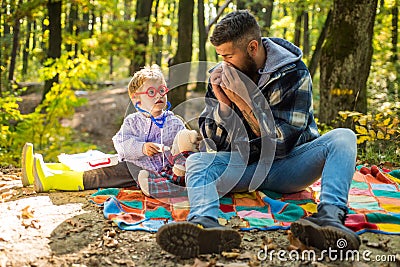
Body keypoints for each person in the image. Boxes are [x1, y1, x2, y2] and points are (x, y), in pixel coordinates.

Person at [156, 10, 360, 259]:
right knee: (197, 161)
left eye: (229, 56)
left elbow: (282, 145)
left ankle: (329, 218)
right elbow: (212, 143)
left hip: (290, 166)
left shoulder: (293, 73)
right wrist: (224, 107)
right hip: (244, 167)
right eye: (220, 56)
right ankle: (204, 225)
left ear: (252, 47)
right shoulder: (223, 76)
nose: (224, 64)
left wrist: (245, 103)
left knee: (343, 137)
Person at [24, 65, 189, 197]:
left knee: (100, 176)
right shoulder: (133, 121)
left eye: (162, 90)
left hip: (144, 173)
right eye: (151, 92)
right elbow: (121, 144)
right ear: (136, 99)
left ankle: (51, 180)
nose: (159, 95)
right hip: (130, 162)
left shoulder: (174, 123)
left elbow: (184, 149)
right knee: (93, 163)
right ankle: (37, 171)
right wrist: (141, 148)